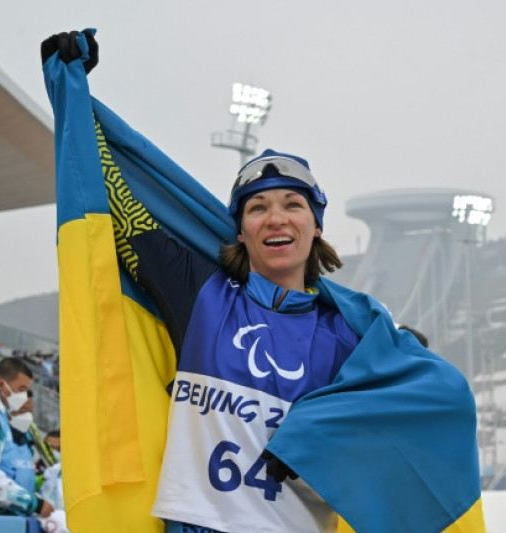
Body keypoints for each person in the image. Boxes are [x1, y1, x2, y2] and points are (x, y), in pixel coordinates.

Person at [42, 29, 483, 533]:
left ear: (316, 226)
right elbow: (117, 208)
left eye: (293, 205)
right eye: (258, 208)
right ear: (242, 230)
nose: (276, 218)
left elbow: (447, 395)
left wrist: (312, 437)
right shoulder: (202, 294)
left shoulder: (355, 330)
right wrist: (70, 91)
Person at [0, 358, 53, 518]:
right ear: (2, 385)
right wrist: (33, 503)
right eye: (21, 389)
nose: (24, 397)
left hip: (12, 516)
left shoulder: (0, 417)